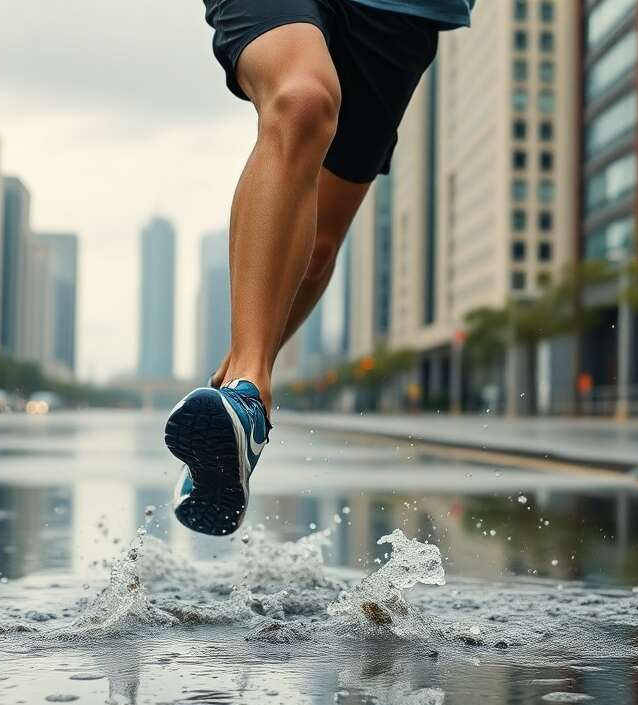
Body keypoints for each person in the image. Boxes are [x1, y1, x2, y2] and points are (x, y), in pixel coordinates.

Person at [165, 0, 475, 536]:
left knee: (316, 252)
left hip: (401, 8)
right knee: (302, 100)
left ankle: (235, 412)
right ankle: (248, 387)